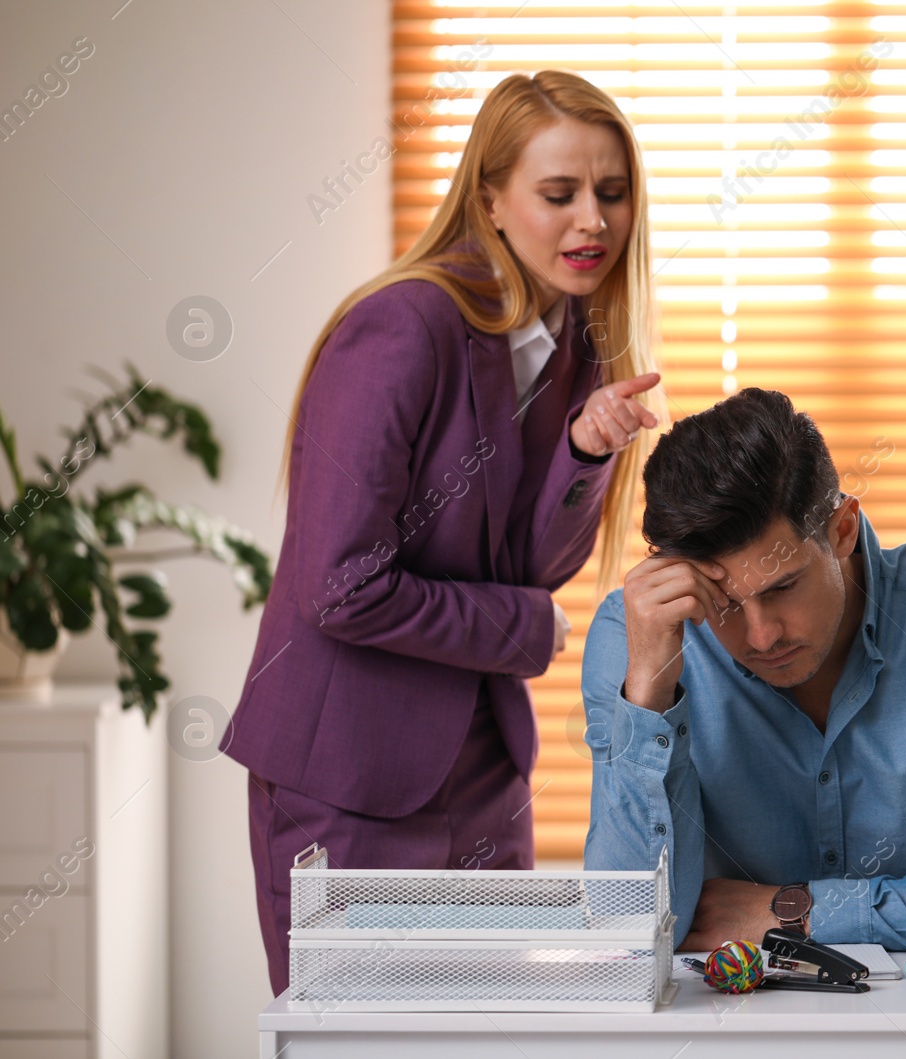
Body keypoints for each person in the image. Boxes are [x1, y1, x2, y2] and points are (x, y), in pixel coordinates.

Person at [224, 71, 664, 994]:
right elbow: (341, 584)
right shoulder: (401, 327)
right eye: (560, 195)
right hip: (349, 778)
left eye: (612, 193)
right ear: (491, 200)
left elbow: (531, 564)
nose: (594, 220)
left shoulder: (581, 342)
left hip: (483, 776)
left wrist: (584, 453)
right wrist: (527, 631)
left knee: (487, 1039)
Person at [582, 387, 906, 951]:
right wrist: (648, 697)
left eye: (783, 587)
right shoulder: (639, 636)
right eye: (723, 603)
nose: (762, 635)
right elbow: (625, 933)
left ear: (842, 530)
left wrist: (798, 914)